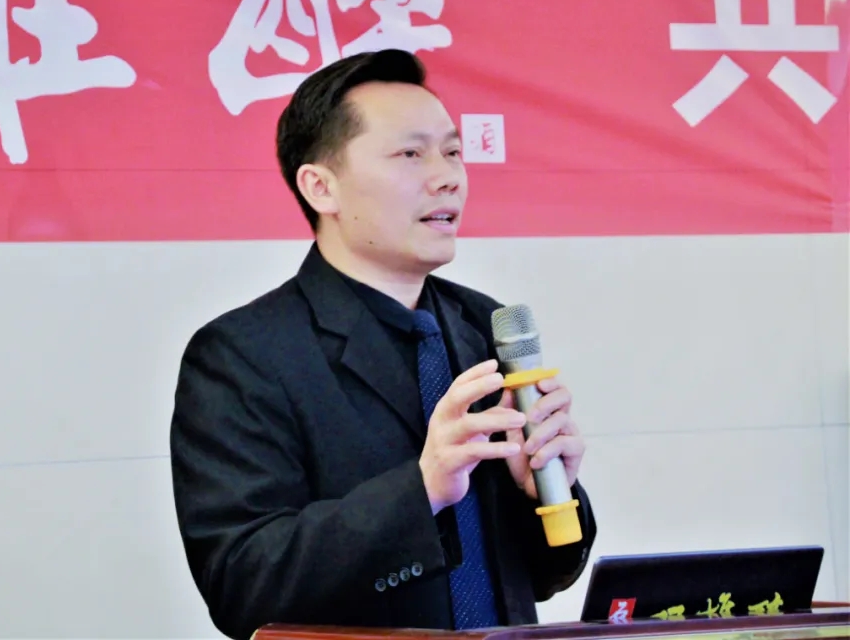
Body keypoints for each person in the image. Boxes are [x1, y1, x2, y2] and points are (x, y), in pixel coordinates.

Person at [169, 49, 596, 640]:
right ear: (322, 188)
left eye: (452, 152)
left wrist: (545, 490)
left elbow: (542, 577)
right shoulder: (241, 356)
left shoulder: (485, 326)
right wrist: (422, 491)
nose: (447, 177)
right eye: (410, 154)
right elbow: (242, 585)